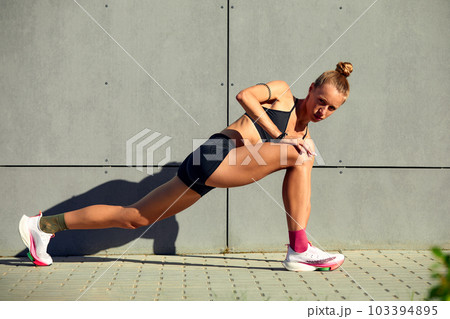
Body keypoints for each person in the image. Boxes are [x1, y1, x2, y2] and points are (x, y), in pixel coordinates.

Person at [19, 62, 353, 271]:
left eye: (332, 109)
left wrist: (285, 142)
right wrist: (280, 136)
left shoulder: (302, 137)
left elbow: (302, 200)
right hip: (214, 154)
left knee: (133, 217)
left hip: (205, 173)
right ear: (310, 90)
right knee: (303, 151)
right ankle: (299, 248)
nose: (323, 110)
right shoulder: (282, 95)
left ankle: (44, 226)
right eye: (321, 100)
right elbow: (244, 96)